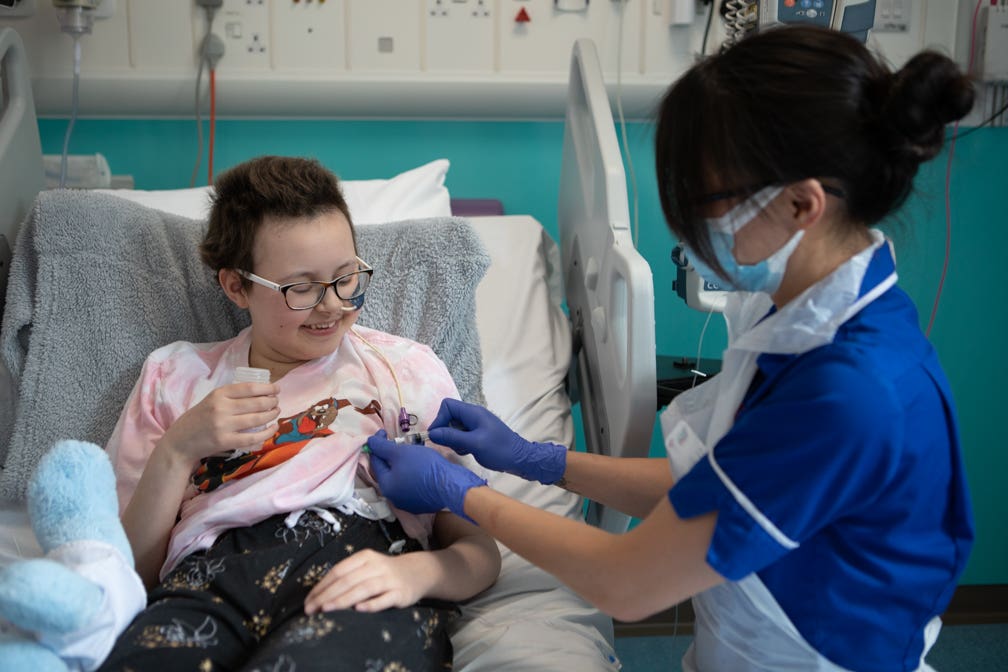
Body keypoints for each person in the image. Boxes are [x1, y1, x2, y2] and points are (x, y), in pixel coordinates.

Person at [364, 25, 975, 672]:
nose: (691, 224)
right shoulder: (809, 321)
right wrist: (536, 460)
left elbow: (627, 583)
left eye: (707, 199)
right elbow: (710, 487)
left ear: (801, 203)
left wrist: (463, 493)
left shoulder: (849, 391)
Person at [98, 155, 501, 671]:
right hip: (207, 582)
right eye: (302, 288)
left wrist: (418, 575)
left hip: (360, 571)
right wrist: (179, 448)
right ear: (236, 286)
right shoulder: (174, 378)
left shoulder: (402, 371)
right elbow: (128, 573)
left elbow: (481, 552)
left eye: (346, 277)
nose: (332, 305)